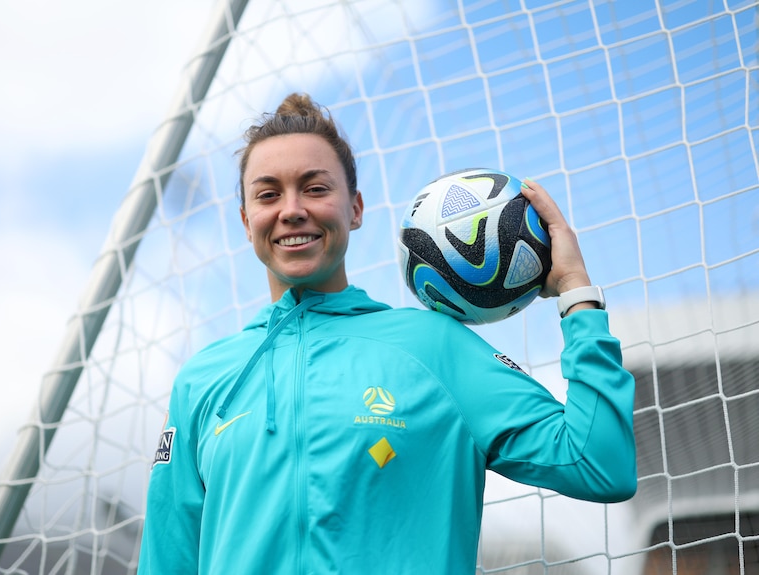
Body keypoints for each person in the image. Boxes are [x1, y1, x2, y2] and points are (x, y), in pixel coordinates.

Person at [137, 93, 636, 574]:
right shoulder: (202, 380)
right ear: (248, 222)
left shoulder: (434, 347)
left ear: (354, 209)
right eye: (268, 194)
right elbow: (167, 561)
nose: (292, 209)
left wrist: (576, 293)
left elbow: (599, 461)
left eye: (315, 188)